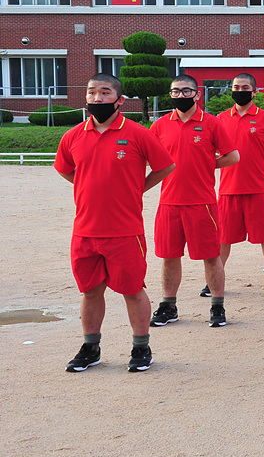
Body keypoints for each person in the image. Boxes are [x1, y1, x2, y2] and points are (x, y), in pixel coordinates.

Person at [56, 73, 175, 373]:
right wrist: (86, 185)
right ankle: (90, 347)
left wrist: (137, 187)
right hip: (85, 231)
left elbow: (166, 165)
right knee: (91, 291)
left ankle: (140, 347)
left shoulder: (136, 133)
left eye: (105, 93)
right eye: (92, 93)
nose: (97, 99)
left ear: (119, 100)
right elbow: (66, 170)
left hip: (125, 231)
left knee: (133, 290)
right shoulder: (73, 136)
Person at [149, 74, 239, 329]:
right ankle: (168, 305)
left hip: (202, 203)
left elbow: (232, 156)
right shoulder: (160, 125)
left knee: (211, 256)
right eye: (175, 91)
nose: (180, 96)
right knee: (169, 256)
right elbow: (149, 159)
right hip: (169, 203)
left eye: (186, 91)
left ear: (197, 94)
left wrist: (208, 163)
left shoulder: (211, 123)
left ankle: (218, 306)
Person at [216, 73, 264, 298]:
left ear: (254, 91)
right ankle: (215, 279)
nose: (240, 90)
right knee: (223, 238)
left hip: (258, 188)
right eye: (236, 86)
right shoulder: (220, 119)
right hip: (228, 189)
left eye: (245, 87)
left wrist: (262, 153)